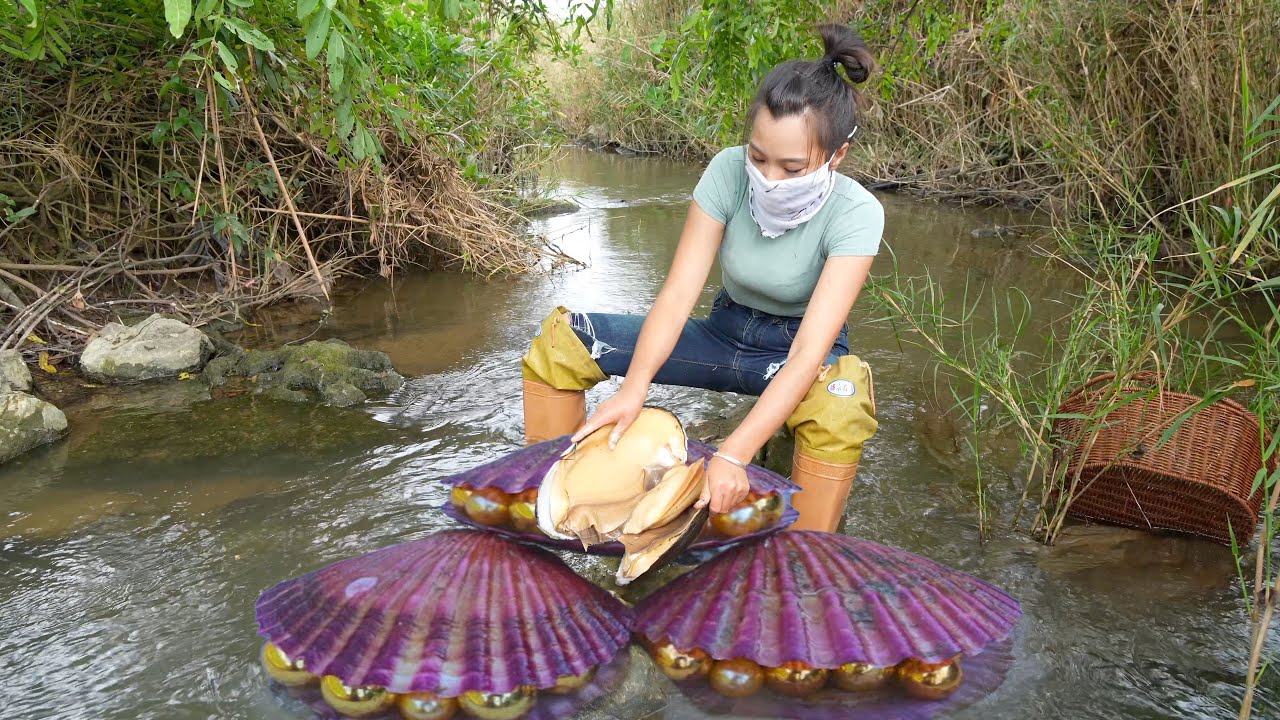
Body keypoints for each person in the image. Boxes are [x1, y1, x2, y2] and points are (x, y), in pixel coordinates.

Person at [520, 23, 882, 534]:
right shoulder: (726, 172)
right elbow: (676, 296)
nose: (768, 179)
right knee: (564, 344)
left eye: (792, 168)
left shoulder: (857, 213)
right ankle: (551, 509)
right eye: (758, 157)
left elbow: (807, 354)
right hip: (723, 332)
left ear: (836, 156)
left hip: (793, 353)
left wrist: (733, 454)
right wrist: (634, 389)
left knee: (841, 404)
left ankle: (805, 552)